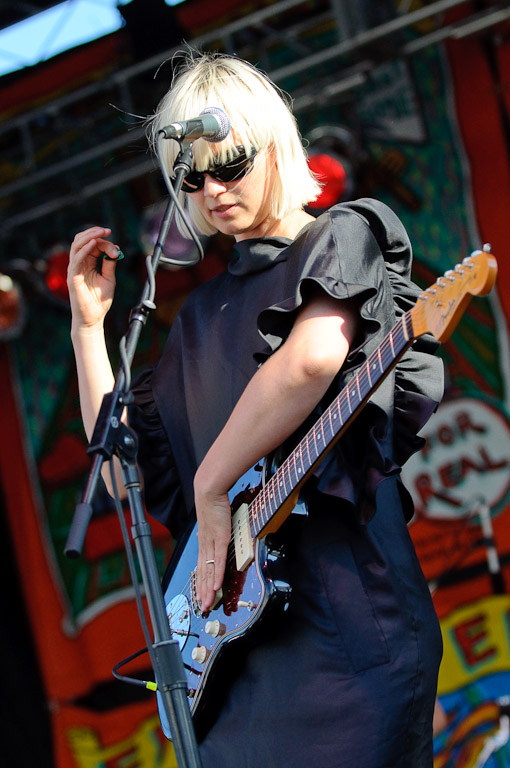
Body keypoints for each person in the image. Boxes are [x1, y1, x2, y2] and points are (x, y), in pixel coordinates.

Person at [68, 50, 444, 767]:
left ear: (274, 144)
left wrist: (212, 485)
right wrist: (91, 331)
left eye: (231, 164)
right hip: (236, 667)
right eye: (193, 177)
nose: (213, 190)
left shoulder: (342, 236)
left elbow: (310, 359)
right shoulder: (196, 319)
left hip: (347, 642)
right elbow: (119, 477)